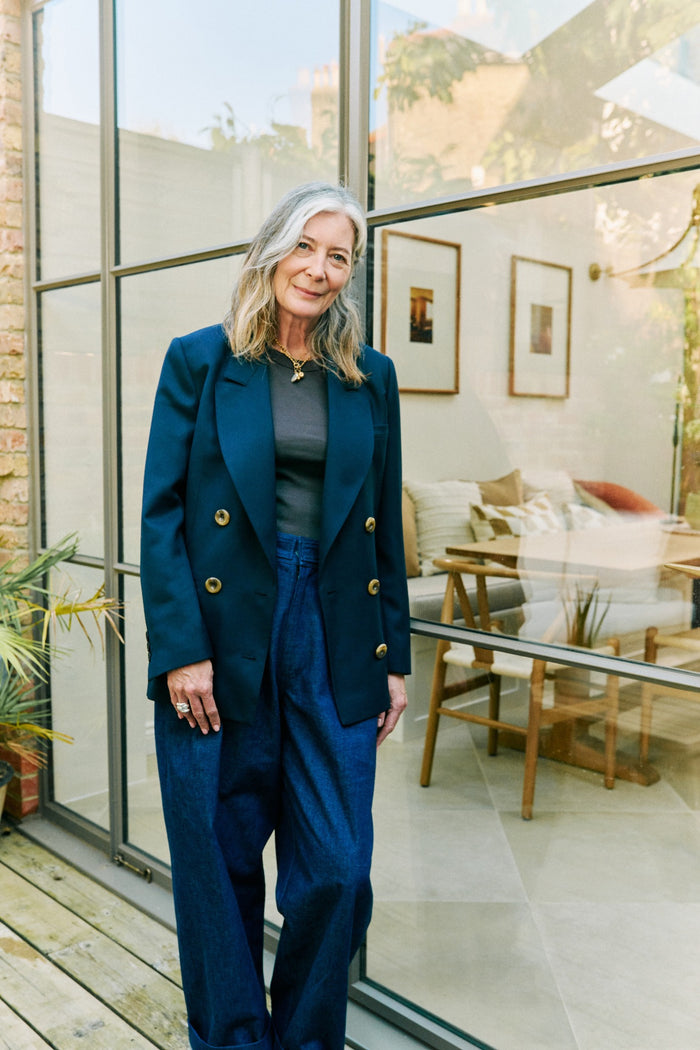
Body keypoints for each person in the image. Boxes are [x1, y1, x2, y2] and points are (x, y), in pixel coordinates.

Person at [140, 181, 411, 1050]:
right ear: (273, 250)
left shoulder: (370, 377)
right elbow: (164, 512)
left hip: (334, 630)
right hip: (222, 640)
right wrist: (182, 648)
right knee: (217, 868)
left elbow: (382, 528)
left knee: (336, 868)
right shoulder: (201, 359)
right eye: (307, 246)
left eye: (340, 256)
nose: (321, 269)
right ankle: (229, 1038)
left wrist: (393, 657)